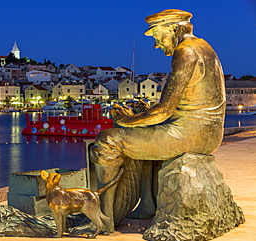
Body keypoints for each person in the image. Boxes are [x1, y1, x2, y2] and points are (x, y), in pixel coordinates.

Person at [90, 9, 226, 229]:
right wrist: (143, 116)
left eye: (157, 36)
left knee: (108, 139)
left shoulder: (186, 51)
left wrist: (126, 120)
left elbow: (164, 111)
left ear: (172, 29)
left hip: (190, 134)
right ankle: (148, 204)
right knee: (142, 135)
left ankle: (104, 218)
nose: (156, 44)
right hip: (208, 133)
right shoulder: (204, 47)